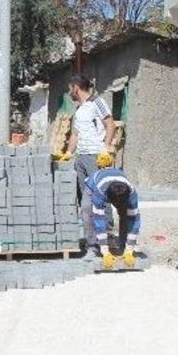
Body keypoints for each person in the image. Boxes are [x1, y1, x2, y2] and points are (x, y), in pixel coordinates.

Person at [59, 74, 116, 251]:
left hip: (95, 156)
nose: (69, 92)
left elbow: (110, 125)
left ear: (76, 87)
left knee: (101, 195)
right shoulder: (79, 109)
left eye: (70, 88)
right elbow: (75, 134)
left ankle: (106, 236)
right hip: (81, 158)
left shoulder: (97, 102)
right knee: (85, 199)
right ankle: (92, 240)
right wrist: (69, 153)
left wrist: (105, 148)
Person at [83, 167, 141, 268]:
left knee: (125, 214)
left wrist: (130, 248)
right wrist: (104, 250)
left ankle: (124, 246)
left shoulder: (131, 193)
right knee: (87, 210)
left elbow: (134, 220)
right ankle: (92, 246)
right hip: (93, 185)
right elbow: (99, 218)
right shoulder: (100, 191)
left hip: (116, 188)